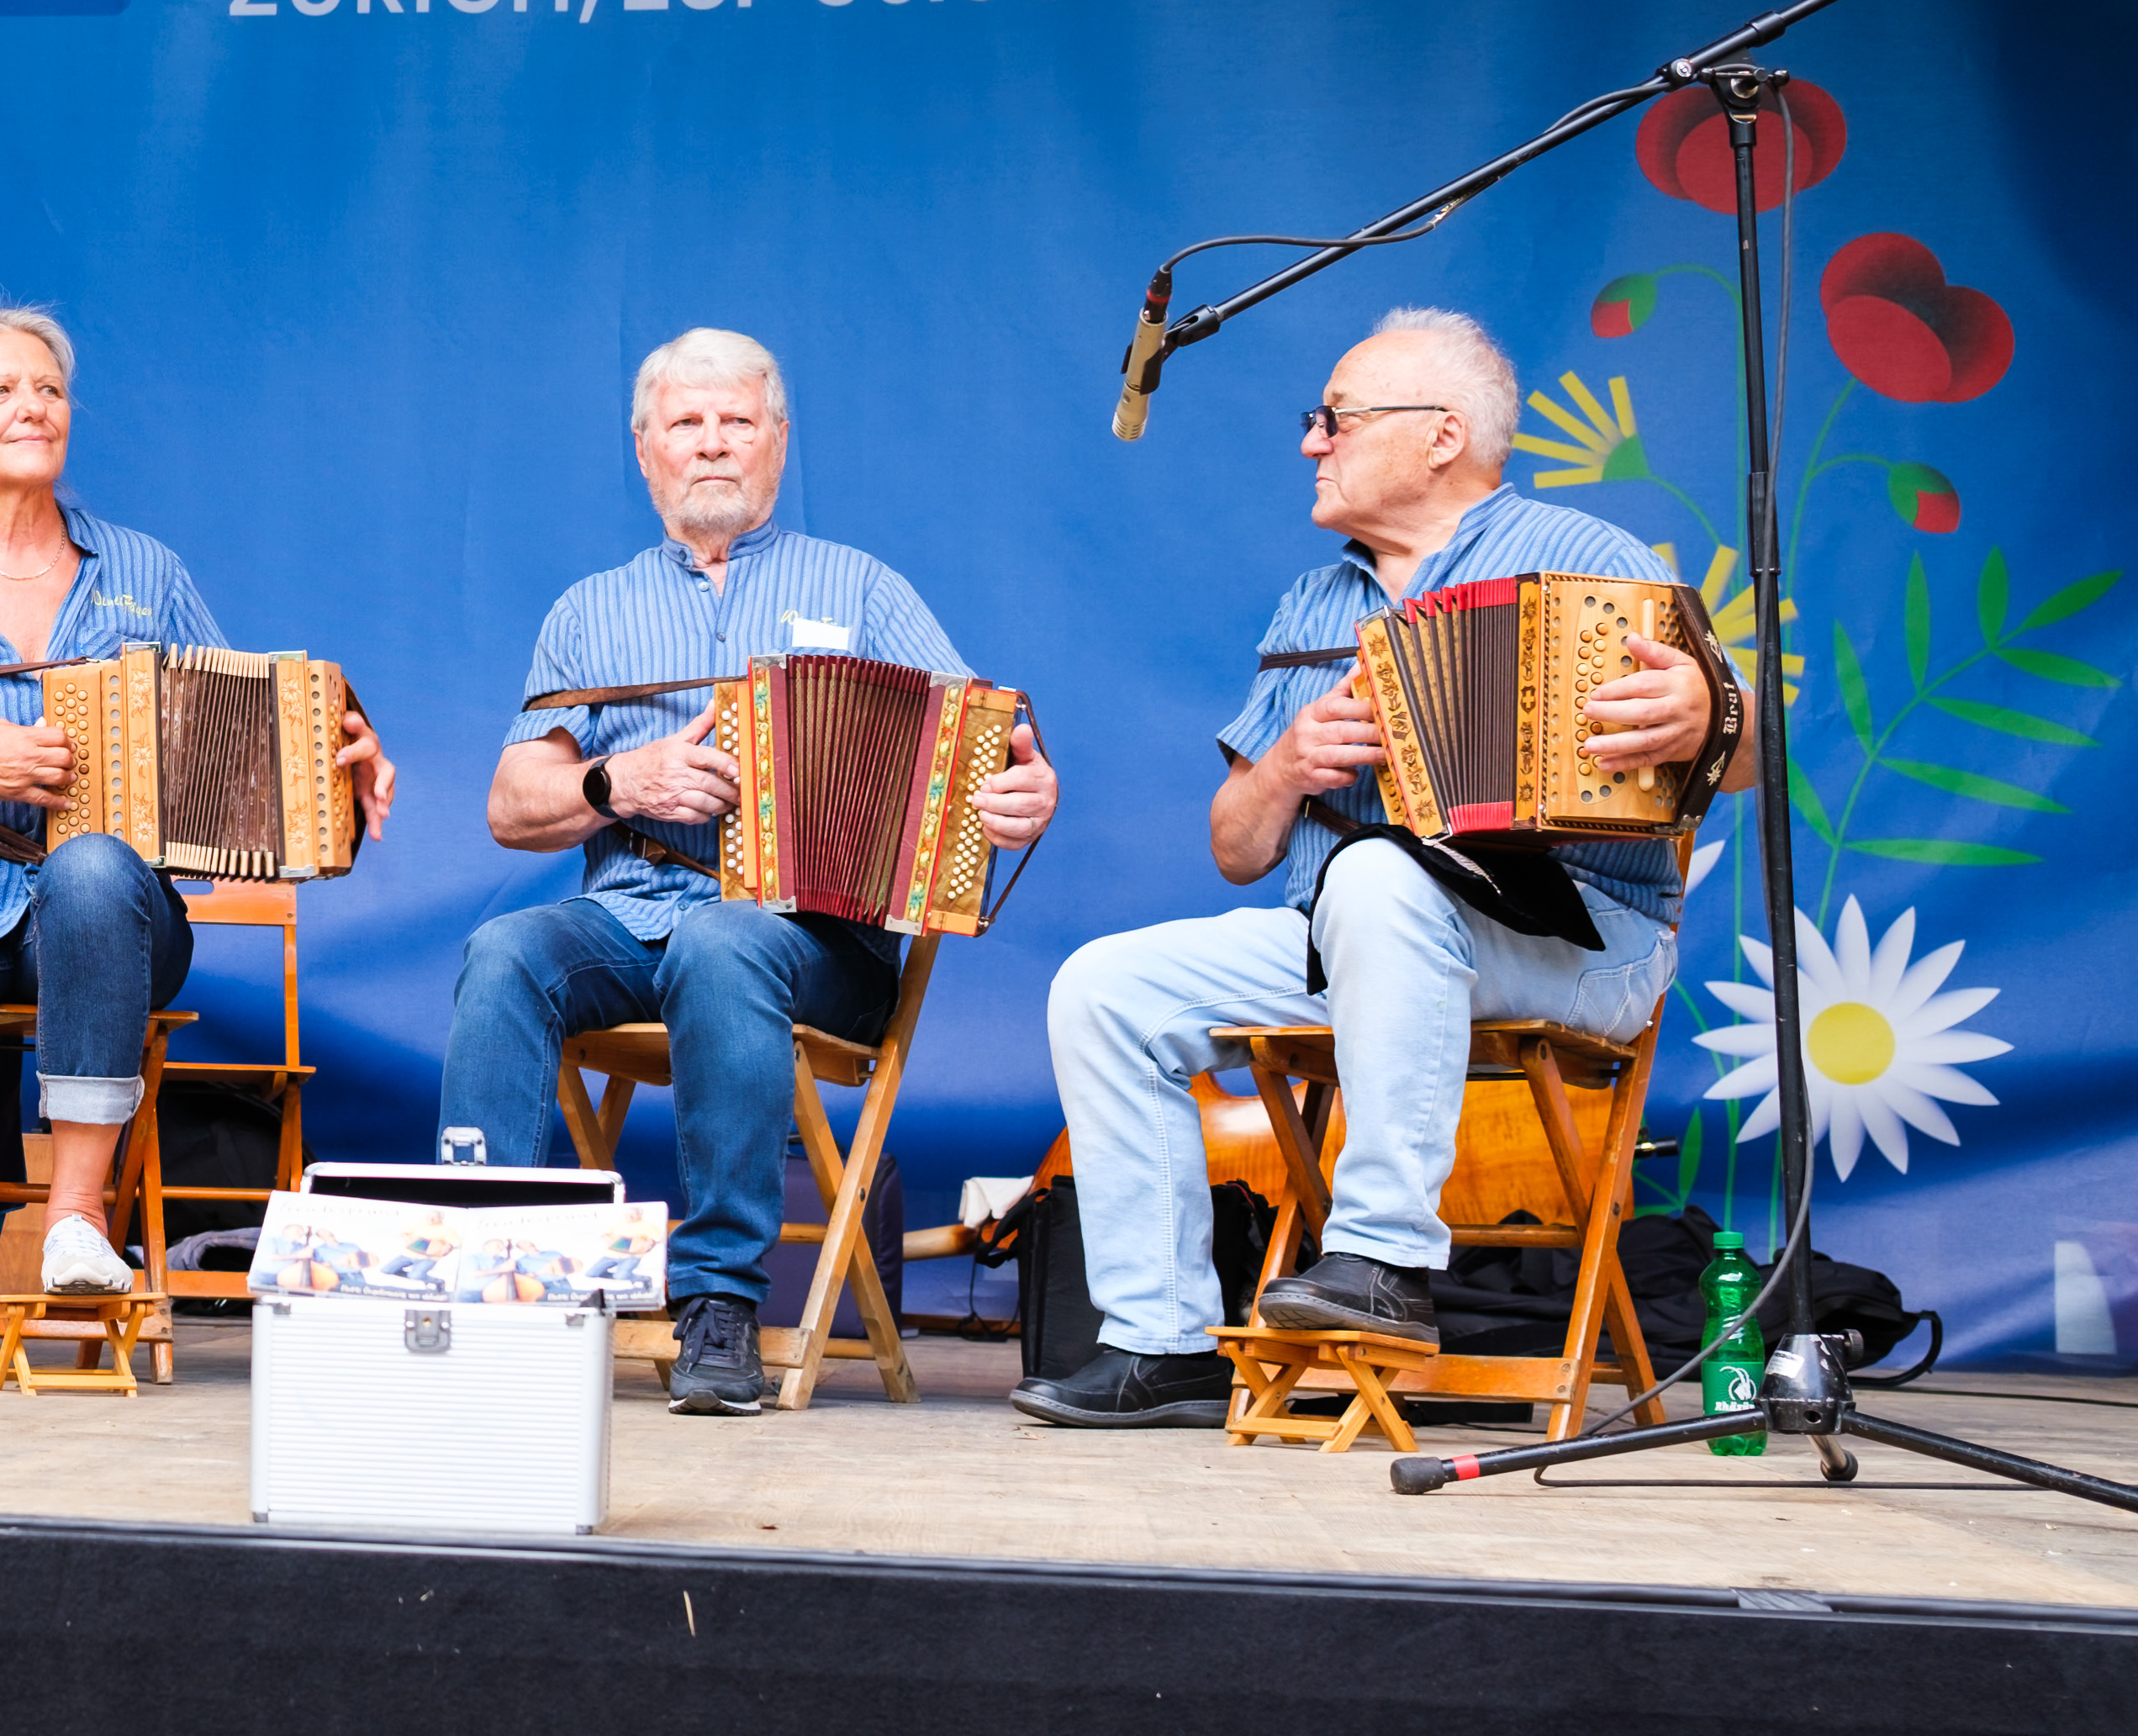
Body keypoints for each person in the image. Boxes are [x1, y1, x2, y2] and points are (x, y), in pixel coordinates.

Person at [1013, 307, 1746, 1429]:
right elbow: (1236, 850)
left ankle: (1382, 1262)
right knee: (1105, 989)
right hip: (1350, 937)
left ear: (1442, 435)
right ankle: (1162, 1339)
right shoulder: (1314, 603)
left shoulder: (1592, 561)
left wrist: (1706, 715)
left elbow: (1754, 762)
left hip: (1580, 943)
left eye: (1335, 419)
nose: (1312, 442)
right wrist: (1286, 770)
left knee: (1378, 875)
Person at [436, 328, 1057, 1413]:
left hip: (817, 944)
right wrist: (618, 781)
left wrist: (1024, 790)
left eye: (738, 422)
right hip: (630, 919)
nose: (713, 444)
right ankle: (483, 1282)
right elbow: (509, 807)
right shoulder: (589, 611)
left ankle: (718, 1298)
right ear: (645, 449)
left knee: (725, 942)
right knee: (504, 951)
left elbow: (988, 744)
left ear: (778, 443)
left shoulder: (863, 591)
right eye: (688, 423)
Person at [0, 307, 394, 1314]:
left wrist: (340, 765)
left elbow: (241, 754)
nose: (34, 407)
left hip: (116, 916)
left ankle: (77, 1213)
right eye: (2, 391)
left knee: (94, 868)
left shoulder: (145, 574)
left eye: (50, 390)